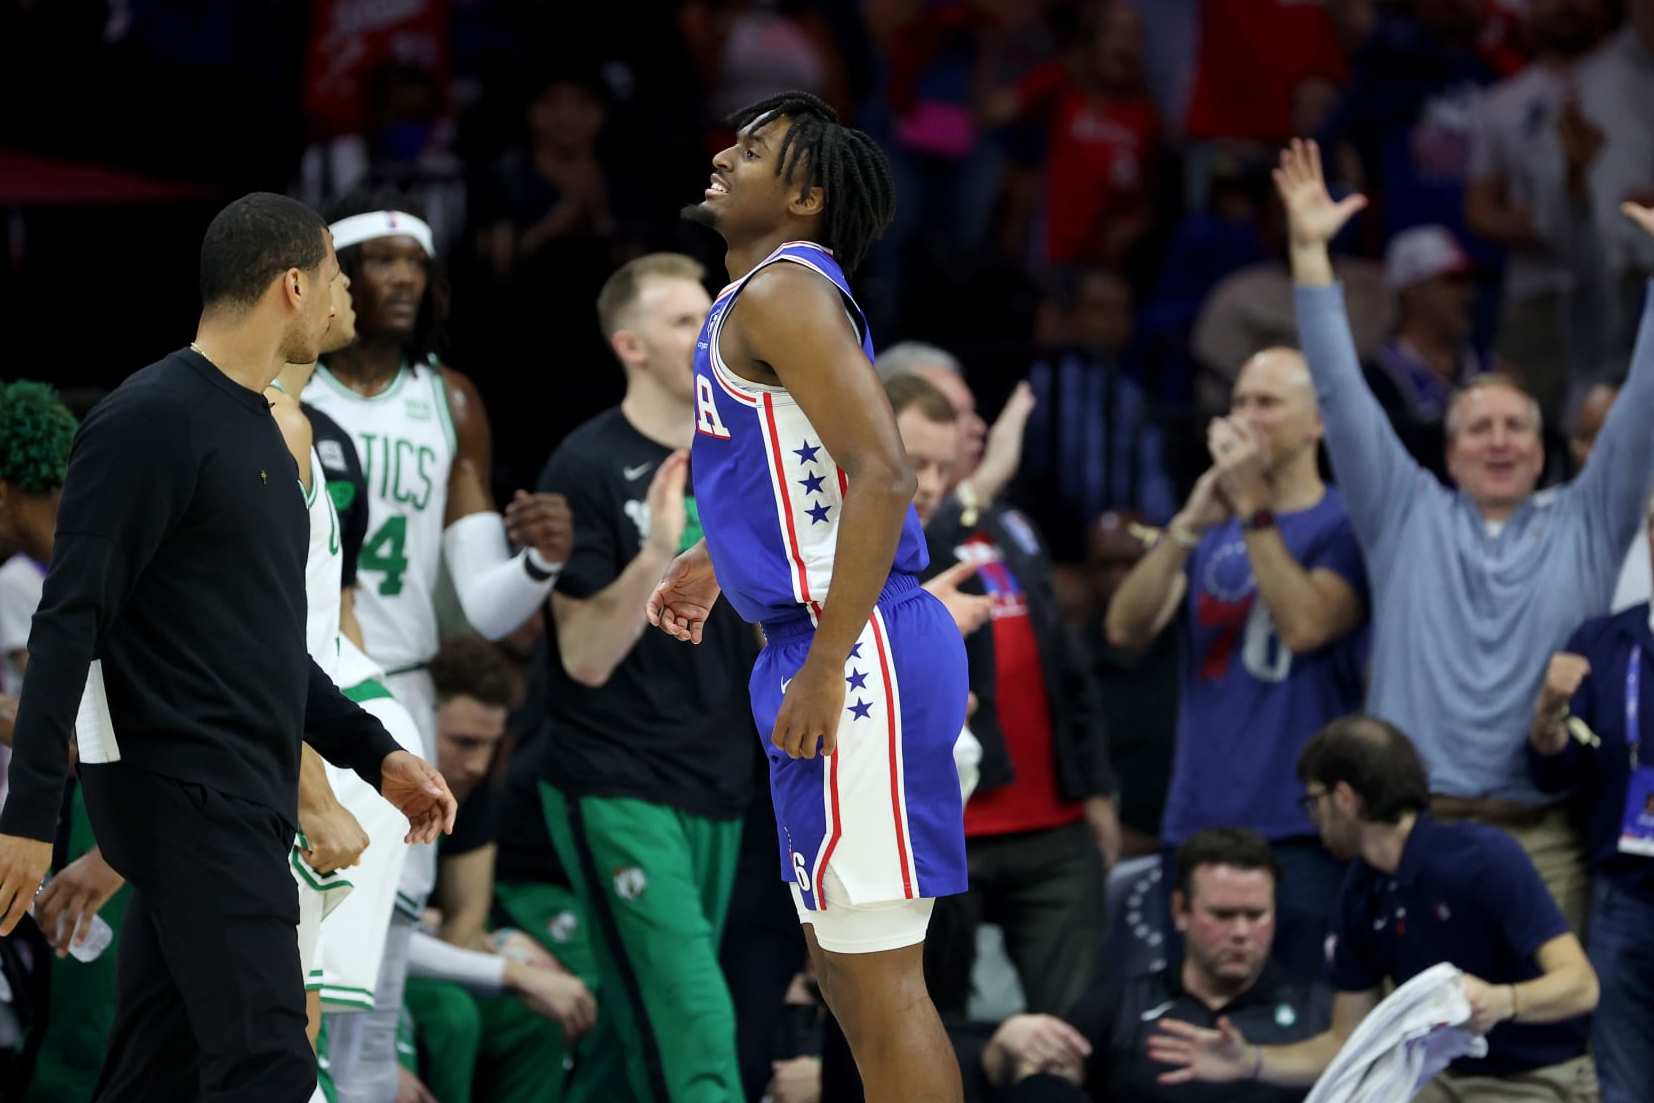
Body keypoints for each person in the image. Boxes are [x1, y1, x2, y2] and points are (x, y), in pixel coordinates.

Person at [0, 192, 457, 1102]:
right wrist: (26, 822)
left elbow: (263, 650)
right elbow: (68, 621)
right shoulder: (147, 418)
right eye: (333, 278)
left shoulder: (261, 430)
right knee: (270, 1063)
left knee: (154, 1072)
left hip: (240, 797)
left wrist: (378, 754)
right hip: (187, 797)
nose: (343, 301)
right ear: (293, 284)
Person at [652, 90, 968, 1102]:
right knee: (842, 969)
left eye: (751, 151)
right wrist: (721, 557)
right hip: (826, 633)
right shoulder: (762, 294)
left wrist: (827, 662)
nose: (722, 156)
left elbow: (882, 472)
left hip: (853, 646)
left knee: (881, 984)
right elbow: (796, 463)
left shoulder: (783, 293)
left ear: (802, 195)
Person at [1277, 137, 1654, 936]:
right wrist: (1311, 253)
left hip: (1544, 838)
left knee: (1546, 1046)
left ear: (1543, 447)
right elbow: (1343, 397)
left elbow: (1644, 412)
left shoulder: (1589, 519)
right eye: (1477, 426)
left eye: (1517, 424)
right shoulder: (1404, 512)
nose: (1498, 439)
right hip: (1411, 831)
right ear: (1447, 454)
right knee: (1401, 1054)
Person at [537, 251, 760, 1101]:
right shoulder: (585, 465)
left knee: (633, 1035)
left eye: (712, 312)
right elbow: (584, 657)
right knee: (696, 1025)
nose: (708, 331)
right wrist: (660, 547)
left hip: (722, 776)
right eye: (681, 319)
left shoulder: (749, 454)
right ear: (629, 344)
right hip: (617, 779)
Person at [1150, 716, 1600, 1102]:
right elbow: (1347, 1043)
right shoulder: (1362, 890)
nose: (1314, 819)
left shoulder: (1481, 858)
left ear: (1344, 798)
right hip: (1434, 1078)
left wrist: (1504, 1001)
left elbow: (1580, 986)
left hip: (1532, 1080)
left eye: (1314, 801)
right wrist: (1250, 1061)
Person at [1106, 345, 1368, 981]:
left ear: (1317, 422)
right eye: (1240, 403)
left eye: (1268, 404)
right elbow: (1124, 627)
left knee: (1299, 1018)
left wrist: (1253, 510)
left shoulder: (1349, 524)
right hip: (1197, 818)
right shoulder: (1213, 528)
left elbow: (1306, 625)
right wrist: (1192, 523)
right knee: (1189, 1024)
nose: (1247, 419)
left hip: (1301, 824)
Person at [300, 187, 575, 749]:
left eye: (416, 263)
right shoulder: (289, 390)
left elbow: (486, 609)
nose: (405, 278)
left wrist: (540, 562)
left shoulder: (452, 401)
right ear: (339, 274)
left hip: (404, 682)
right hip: (298, 677)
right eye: (382, 260)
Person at [886, 368, 1121, 1019]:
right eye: (918, 457)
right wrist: (974, 489)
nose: (970, 431)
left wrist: (1095, 785)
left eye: (962, 419)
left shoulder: (1007, 524)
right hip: (946, 829)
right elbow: (913, 546)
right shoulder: (864, 537)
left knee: (1080, 1029)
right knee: (938, 1030)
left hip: (1052, 823)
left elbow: (1065, 661)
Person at [961, 827, 1332, 1103]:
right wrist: (1006, 1044)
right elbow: (1031, 1071)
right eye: (1222, 914)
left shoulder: (1319, 1016)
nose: (1240, 932)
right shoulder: (1121, 1007)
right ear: (1180, 911)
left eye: (1256, 915)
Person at [399, 635, 593, 1103]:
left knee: (540, 1020)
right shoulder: (380, 779)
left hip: (413, 955)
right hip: (354, 980)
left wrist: (501, 947)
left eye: (490, 745)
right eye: (463, 742)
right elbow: (373, 941)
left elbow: (463, 927)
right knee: (452, 1016)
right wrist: (511, 971)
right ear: (423, 719)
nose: (477, 764)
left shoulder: (474, 785)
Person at [1526, 499, 1654, 1103]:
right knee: (1621, 1087)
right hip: (1624, 895)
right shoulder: (1604, 642)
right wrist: (1549, 714)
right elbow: (1554, 770)